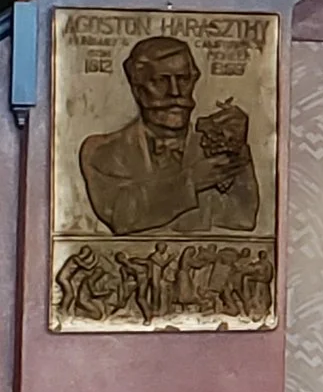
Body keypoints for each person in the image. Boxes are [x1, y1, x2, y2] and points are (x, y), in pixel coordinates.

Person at [77, 33, 259, 238]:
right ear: (137, 89)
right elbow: (122, 217)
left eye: (183, 79)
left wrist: (234, 146)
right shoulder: (103, 151)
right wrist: (192, 182)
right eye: (160, 80)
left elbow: (242, 219)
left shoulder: (212, 145)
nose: (175, 92)